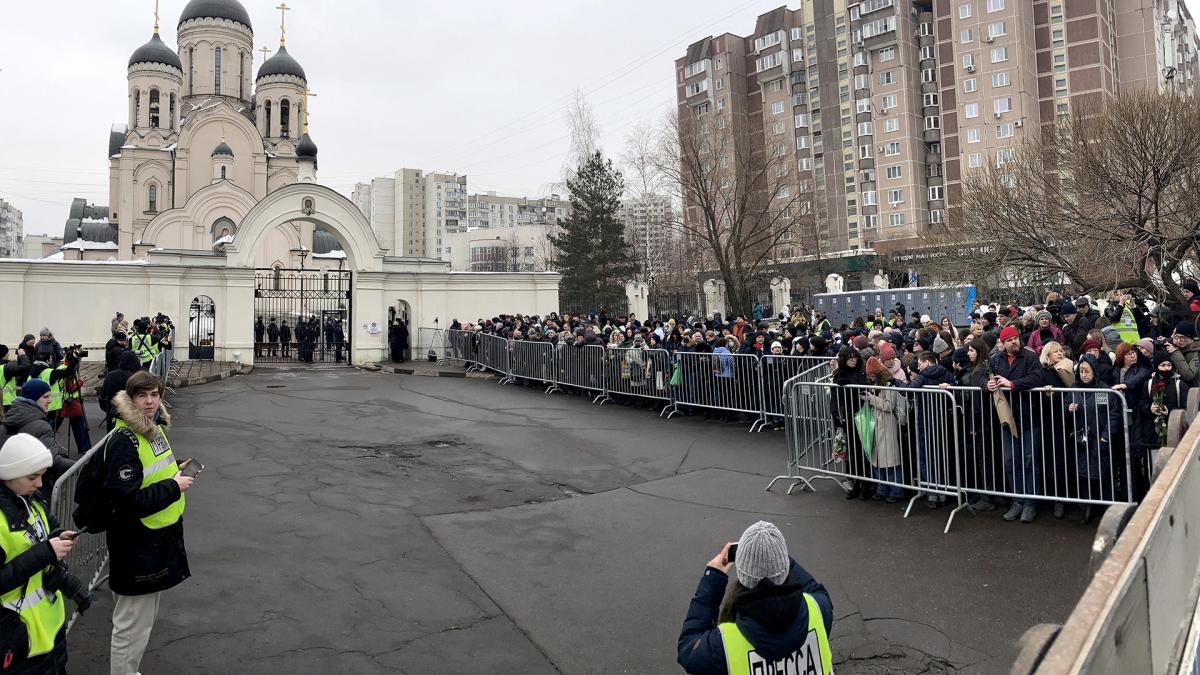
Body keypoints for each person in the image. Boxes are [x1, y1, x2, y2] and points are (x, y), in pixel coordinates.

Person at [105, 371, 193, 675]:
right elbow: (126, 499)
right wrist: (174, 486)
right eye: (142, 396)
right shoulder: (124, 440)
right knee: (131, 625)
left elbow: (151, 471)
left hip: (155, 537)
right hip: (136, 540)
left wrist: (175, 470)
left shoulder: (152, 429)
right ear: (131, 399)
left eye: (154, 395)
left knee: (141, 622)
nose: (150, 401)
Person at [677, 521, 833, 675]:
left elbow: (688, 650)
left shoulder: (724, 644)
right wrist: (777, 559)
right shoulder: (817, 608)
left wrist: (713, 577)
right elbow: (815, 588)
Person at [0, 433, 93, 674]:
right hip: (17, 641)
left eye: (42, 476)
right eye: (33, 477)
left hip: (48, 630)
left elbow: (49, 529)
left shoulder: (31, 498)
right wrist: (46, 551)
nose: (40, 484)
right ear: (9, 474)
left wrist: (60, 536)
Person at [985, 325, 1046, 523]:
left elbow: (1037, 378)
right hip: (1007, 419)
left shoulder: (1029, 357)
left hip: (1028, 418)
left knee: (1030, 461)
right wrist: (987, 385)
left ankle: (1030, 503)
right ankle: (1017, 501)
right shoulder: (995, 360)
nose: (1014, 342)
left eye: (1016, 339)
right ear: (1002, 344)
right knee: (1011, 462)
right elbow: (981, 377)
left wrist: (1012, 384)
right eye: (1009, 340)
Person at [1, 380, 73, 502]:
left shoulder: (7, 421)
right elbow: (54, 462)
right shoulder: (41, 426)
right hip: (37, 491)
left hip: (9, 488)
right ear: (33, 399)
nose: (49, 400)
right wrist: (81, 464)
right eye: (45, 397)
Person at [100, 351, 142, 431]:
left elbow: (104, 393)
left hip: (112, 411)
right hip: (130, 413)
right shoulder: (135, 377)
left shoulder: (110, 375)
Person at [1166, 321, 1200, 388]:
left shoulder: (1197, 352)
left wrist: (1175, 352)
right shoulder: (1181, 346)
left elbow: (1189, 375)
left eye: (1182, 337)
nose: (1178, 340)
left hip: (1193, 391)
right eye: (1176, 336)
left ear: (1191, 339)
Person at [1, 345, 33, 413]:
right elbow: (25, 367)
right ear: (3, 355)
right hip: (6, 402)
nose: (8, 354)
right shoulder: (5, 368)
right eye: (7, 353)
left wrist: (6, 361)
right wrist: (22, 355)